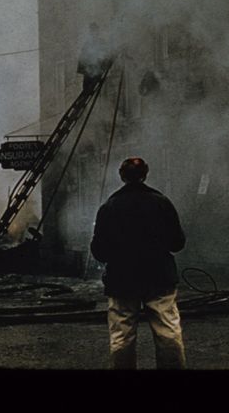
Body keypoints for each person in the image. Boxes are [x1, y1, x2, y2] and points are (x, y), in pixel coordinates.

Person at [90, 157, 187, 369]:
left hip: (122, 278)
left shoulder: (109, 206)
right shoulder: (162, 202)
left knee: (122, 335)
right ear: (145, 175)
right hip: (159, 276)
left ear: (122, 176)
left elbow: (99, 252)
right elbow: (177, 243)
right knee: (168, 331)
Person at [78, 22, 112, 92]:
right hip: (89, 71)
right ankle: (87, 90)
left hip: (97, 70)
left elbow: (106, 54)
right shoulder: (87, 45)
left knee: (94, 83)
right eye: (92, 31)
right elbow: (83, 58)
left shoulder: (101, 43)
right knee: (87, 87)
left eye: (95, 31)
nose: (94, 33)